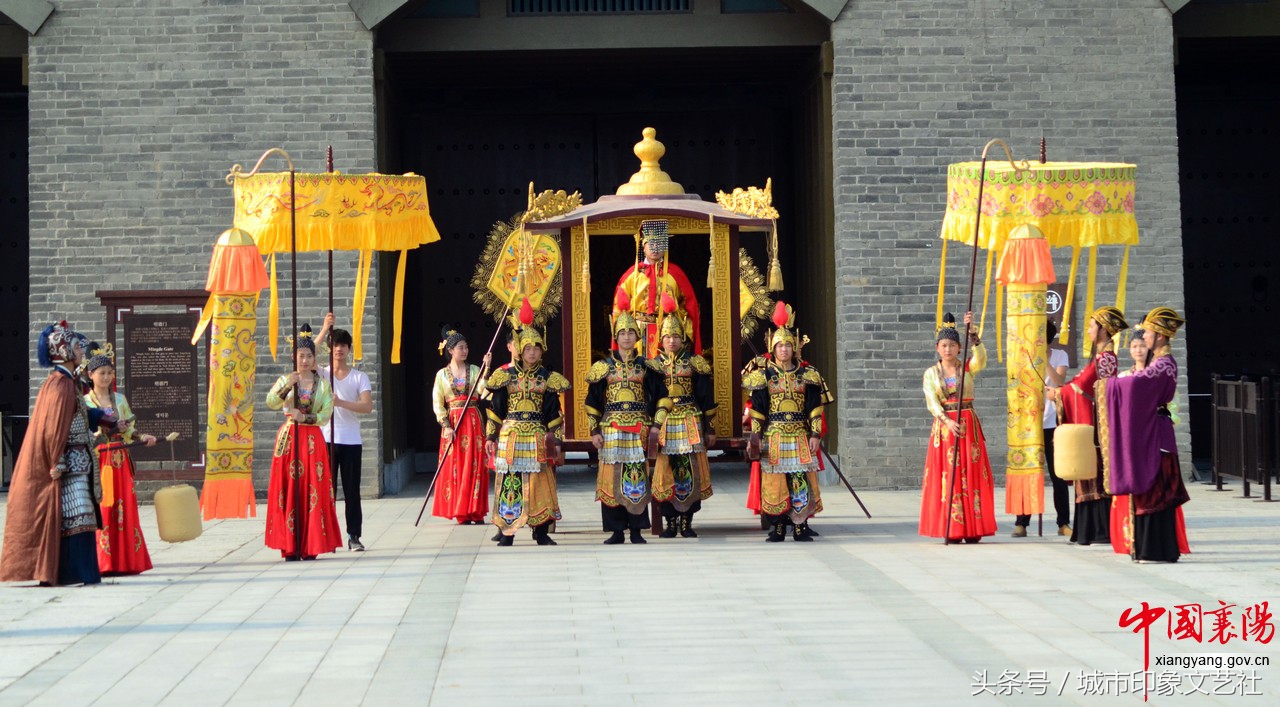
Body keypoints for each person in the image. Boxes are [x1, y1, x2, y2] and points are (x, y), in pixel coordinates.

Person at [1, 322, 113, 586]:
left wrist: (107, 420)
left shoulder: (68, 382)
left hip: (78, 459)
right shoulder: (61, 384)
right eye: (76, 347)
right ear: (64, 353)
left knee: (76, 516)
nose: (81, 352)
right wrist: (56, 460)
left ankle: (69, 573)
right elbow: (54, 427)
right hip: (69, 462)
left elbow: (79, 415)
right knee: (79, 514)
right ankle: (81, 572)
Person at [1102, 308, 1191, 563]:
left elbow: (1135, 386)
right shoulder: (1159, 363)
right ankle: (1154, 548)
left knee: (1156, 492)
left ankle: (1155, 549)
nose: (1146, 336)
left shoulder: (1162, 365)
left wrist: (1109, 384)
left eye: (1149, 332)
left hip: (1156, 436)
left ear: (1161, 336)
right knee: (1152, 491)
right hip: (1154, 431)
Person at [588, 290, 671, 545]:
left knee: (637, 476)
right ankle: (615, 531)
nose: (626, 337)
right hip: (611, 428)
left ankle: (636, 530)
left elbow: (663, 398)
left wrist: (657, 425)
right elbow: (592, 402)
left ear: (637, 336)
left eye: (630, 333)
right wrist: (594, 431)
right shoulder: (603, 367)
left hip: (638, 429)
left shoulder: (647, 366)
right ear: (616, 336)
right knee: (611, 477)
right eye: (622, 333)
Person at [484, 303, 571, 547]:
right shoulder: (505, 377)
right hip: (511, 435)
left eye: (536, 348)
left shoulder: (548, 378)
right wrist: (490, 437)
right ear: (519, 349)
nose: (532, 353)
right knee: (510, 482)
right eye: (528, 348)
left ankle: (541, 532)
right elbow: (495, 410)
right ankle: (508, 531)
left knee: (540, 482)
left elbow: (554, 413)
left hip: (537, 436)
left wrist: (557, 439)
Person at [743, 302, 830, 542]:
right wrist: (756, 437)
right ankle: (778, 526)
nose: (784, 350)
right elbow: (758, 410)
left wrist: (815, 435)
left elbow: (815, 408)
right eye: (779, 345)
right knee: (775, 481)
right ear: (773, 348)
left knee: (800, 478)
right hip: (775, 435)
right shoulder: (764, 376)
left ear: (795, 348)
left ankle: (800, 526)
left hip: (800, 434)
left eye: (788, 345)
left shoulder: (807, 375)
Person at [1048, 306, 1127, 546]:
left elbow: (1095, 391)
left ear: (1103, 330)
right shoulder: (1099, 357)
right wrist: (1061, 391)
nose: (1090, 331)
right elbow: (1079, 384)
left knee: (1094, 474)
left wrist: (1059, 394)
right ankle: (1090, 529)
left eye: (1093, 326)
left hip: (1096, 428)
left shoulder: (1106, 358)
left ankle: (1099, 529)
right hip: (1089, 427)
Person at [264, 323, 343, 561]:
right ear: (293, 357)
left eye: (309, 355)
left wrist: (305, 416)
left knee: (312, 490)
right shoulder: (286, 380)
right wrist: (288, 384)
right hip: (290, 439)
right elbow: (271, 402)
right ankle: (289, 544)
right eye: (301, 355)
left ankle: (311, 544)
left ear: (315, 357)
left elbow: (326, 413)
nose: (305, 360)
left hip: (311, 440)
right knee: (288, 490)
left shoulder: (323, 385)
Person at [919, 312, 995, 544]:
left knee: (971, 473)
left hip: (967, 423)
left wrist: (974, 336)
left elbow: (981, 359)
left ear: (960, 348)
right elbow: (931, 401)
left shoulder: (968, 367)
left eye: (952, 345)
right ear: (937, 348)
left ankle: (973, 527)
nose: (948, 349)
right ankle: (951, 527)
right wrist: (947, 420)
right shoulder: (931, 374)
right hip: (945, 428)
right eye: (944, 345)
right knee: (948, 475)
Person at [84, 344, 156, 575]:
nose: (105, 377)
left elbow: (130, 430)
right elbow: (84, 432)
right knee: (103, 507)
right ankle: (103, 561)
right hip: (99, 460)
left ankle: (127, 560)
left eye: (109, 372)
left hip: (120, 459)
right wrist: (104, 430)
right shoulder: (84, 402)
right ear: (90, 375)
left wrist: (142, 436)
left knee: (124, 508)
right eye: (101, 373)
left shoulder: (120, 399)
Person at [651, 297, 716, 538]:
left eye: (676, 336)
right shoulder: (653, 365)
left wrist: (709, 428)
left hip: (690, 419)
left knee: (690, 468)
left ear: (683, 338)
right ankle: (670, 522)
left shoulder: (695, 363)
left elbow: (706, 397)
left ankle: (687, 521)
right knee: (666, 469)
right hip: (665, 421)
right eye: (667, 336)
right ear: (661, 339)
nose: (672, 340)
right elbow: (651, 398)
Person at [316, 314, 374, 551]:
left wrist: (340, 403)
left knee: (352, 492)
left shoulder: (360, 377)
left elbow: (366, 406)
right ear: (330, 349)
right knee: (325, 491)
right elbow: (302, 358)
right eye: (335, 345)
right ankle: (327, 536)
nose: (338, 349)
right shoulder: (322, 373)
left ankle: (354, 536)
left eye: (342, 345)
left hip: (350, 440)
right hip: (326, 439)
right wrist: (324, 329)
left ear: (349, 349)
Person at [1013, 320, 1071, 537]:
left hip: (1053, 423)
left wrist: (1044, 360)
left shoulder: (1059, 356)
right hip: (1030, 423)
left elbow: (1058, 380)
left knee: (1058, 475)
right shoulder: (1024, 357)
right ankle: (1022, 522)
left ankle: (1063, 522)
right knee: (1029, 473)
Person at [613, 218, 702, 358]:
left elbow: (688, 306)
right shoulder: (632, 275)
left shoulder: (675, 274)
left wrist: (682, 330)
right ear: (643, 247)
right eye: (651, 244)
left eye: (659, 244)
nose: (655, 248)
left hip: (667, 332)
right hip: (637, 332)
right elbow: (619, 307)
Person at [431, 325, 492, 525]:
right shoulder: (441, 375)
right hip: (454, 424)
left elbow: (484, 393)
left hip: (473, 421)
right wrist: (446, 425)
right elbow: (437, 402)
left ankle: (476, 510)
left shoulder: (475, 370)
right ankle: (460, 511)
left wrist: (487, 369)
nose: (464, 350)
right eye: (460, 347)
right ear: (450, 351)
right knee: (456, 466)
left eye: (466, 347)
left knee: (475, 466)